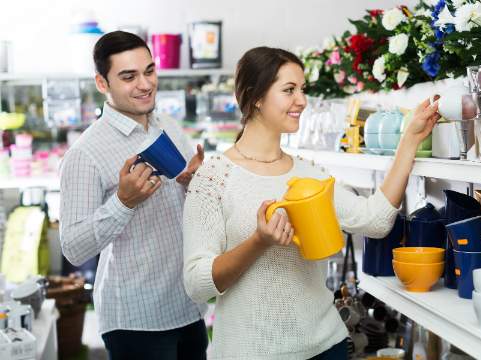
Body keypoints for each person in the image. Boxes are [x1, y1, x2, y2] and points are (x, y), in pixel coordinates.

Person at [182, 46, 439, 360]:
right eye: (289, 90)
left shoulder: (307, 172)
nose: (302, 101)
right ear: (256, 97)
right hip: (249, 351)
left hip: (324, 347)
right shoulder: (213, 178)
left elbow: (375, 221)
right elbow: (197, 284)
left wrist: (410, 139)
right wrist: (259, 242)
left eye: (302, 90)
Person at [59, 31, 207, 360]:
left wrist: (193, 183)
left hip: (188, 305)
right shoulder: (86, 153)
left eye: (149, 71)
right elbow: (73, 246)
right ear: (102, 83)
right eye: (129, 76)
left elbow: (186, 206)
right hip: (136, 320)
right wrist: (122, 202)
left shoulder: (167, 124)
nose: (145, 84)